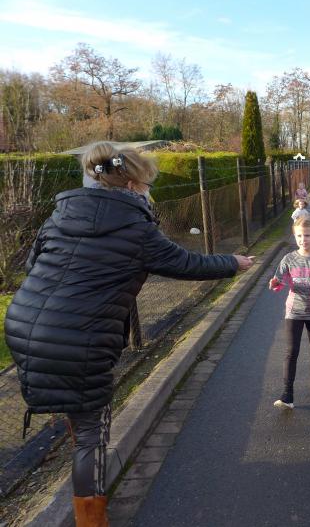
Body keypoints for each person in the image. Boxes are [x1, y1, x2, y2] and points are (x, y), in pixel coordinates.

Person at [3, 141, 254, 527]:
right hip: (78, 338)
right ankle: (91, 520)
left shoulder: (59, 215)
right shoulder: (136, 229)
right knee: (92, 433)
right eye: (147, 184)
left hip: (24, 326)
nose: (149, 193)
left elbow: (33, 265)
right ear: (134, 184)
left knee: (78, 412)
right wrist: (232, 262)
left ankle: (84, 480)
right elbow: (185, 263)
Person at [269, 217, 310, 409]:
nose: (303, 239)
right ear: (294, 236)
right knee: (291, 351)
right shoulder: (288, 259)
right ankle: (287, 394)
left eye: (307, 235)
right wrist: (275, 283)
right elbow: (279, 279)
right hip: (294, 310)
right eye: (299, 236)